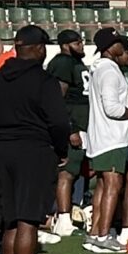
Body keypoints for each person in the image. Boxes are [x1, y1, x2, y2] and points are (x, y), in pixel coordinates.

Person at [0, 25, 73, 254]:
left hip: (4, 152)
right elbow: (58, 121)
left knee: (10, 219)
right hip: (34, 151)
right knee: (28, 220)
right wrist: (60, 149)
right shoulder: (44, 82)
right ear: (38, 49)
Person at [81, 30, 128, 254]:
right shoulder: (109, 71)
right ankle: (104, 235)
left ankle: (96, 233)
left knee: (103, 186)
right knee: (113, 186)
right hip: (112, 137)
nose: (124, 49)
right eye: (119, 44)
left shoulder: (100, 68)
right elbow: (112, 108)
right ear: (110, 48)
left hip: (102, 136)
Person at [45, 28, 88, 236]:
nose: (81, 45)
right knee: (67, 172)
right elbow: (57, 98)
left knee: (78, 171)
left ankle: (69, 212)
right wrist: (70, 128)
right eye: (77, 42)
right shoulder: (63, 62)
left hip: (83, 124)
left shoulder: (76, 63)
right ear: (65, 45)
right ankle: (62, 217)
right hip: (73, 125)